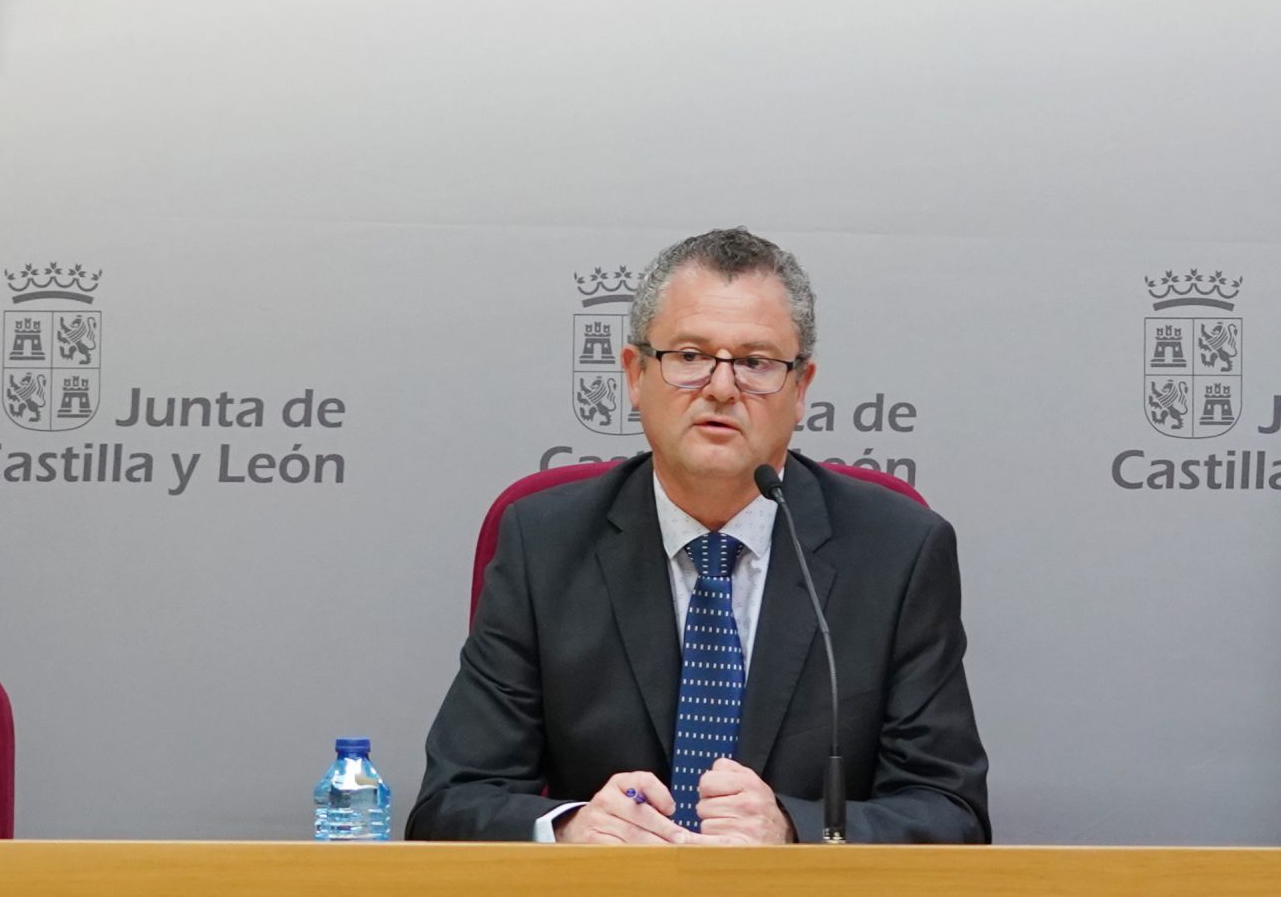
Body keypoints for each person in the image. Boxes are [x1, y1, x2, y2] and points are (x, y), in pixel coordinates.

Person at [409, 227, 988, 843]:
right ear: (635, 375)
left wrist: (797, 833)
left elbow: (951, 814)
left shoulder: (896, 551)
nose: (719, 387)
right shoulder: (544, 543)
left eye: (756, 363)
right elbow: (451, 803)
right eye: (689, 356)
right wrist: (570, 829)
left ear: (801, 391)